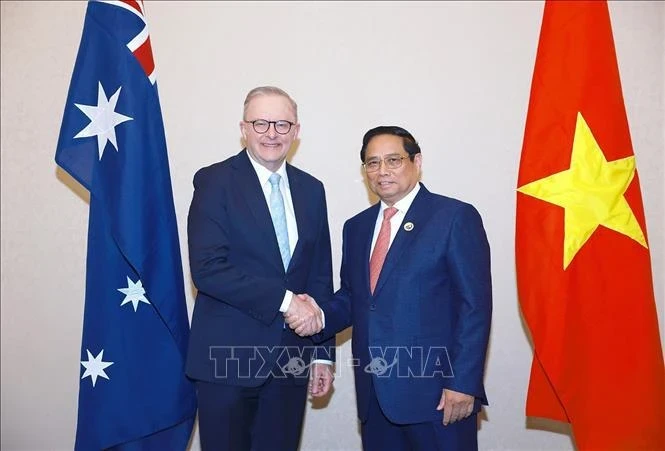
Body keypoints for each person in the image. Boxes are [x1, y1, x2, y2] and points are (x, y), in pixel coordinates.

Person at [287, 125, 492, 451]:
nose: (382, 171)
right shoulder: (356, 228)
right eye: (372, 163)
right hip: (375, 396)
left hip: (439, 397)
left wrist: (463, 383)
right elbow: (355, 298)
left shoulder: (454, 217)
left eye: (393, 160)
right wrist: (319, 316)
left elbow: (475, 307)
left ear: (417, 161)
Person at [186, 86, 335, 451]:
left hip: (291, 360)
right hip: (226, 360)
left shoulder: (312, 190)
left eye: (282, 124)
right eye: (261, 123)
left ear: (296, 131)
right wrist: (286, 302)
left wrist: (323, 353)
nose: (271, 133)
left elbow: (319, 275)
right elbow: (207, 268)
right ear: (244, 128)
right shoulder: (214, 181)